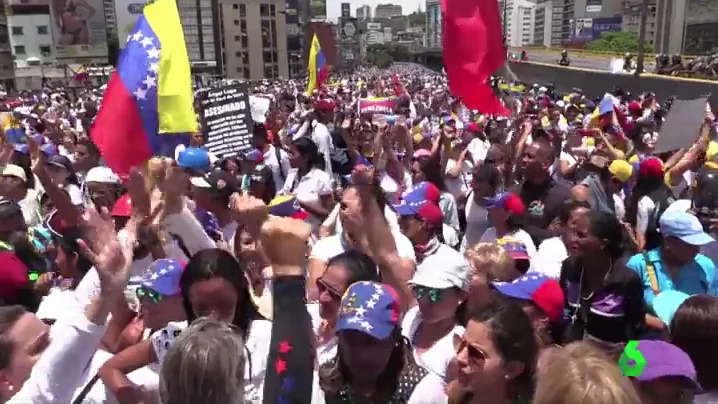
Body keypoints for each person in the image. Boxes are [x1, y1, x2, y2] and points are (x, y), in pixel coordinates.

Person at [317, 281, 448, 403]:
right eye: (351, 340)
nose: (361, 354)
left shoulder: (423, 391)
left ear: (394, 338)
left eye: (372, 341)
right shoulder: (324, 383)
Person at [560, 209, 645, 347]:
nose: (573, 239)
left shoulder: (626, 280)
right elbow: (564, 315)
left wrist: (625, 365)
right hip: (573, 358)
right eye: (574, 233)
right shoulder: (570, 269)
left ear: (603, 243)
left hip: (611, 362)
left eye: (581, 235)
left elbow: (635, 332)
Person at [626, 210, 718, 331]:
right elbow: (626, 311)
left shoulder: (706, 266)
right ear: (668, 241)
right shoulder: (639, 265)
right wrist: (664, 327)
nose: (697, 250)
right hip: (645, 345)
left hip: (693, 345)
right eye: (691, 244)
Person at [447, 300, 537, 404]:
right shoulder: (450, 397)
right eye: (461, 343)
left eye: (475, 353)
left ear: (512, 369)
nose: (460, 357)